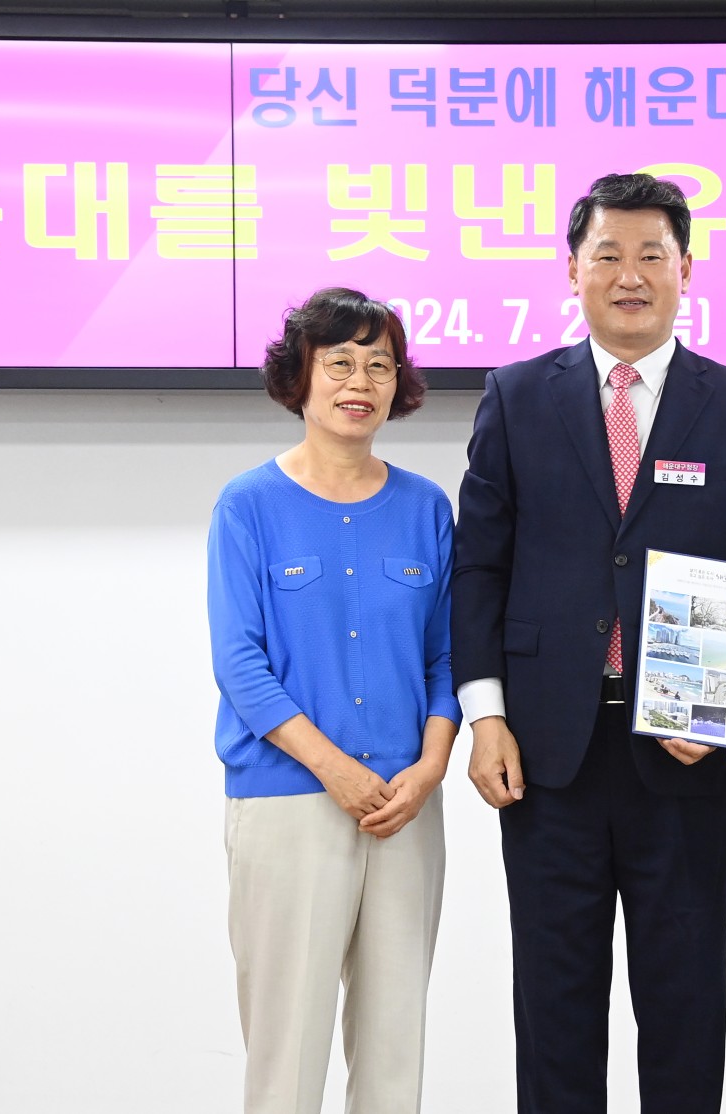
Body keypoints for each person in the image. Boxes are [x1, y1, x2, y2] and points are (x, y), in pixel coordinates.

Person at [451, 172, 726, 1114]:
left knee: (684, 1004)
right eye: (608, 254)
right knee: (554, 1006)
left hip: (684, 755)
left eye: (653, 255)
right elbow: (478, 567)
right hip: (545, 752)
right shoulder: (517, 396)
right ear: (573, 270)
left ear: (688, 270)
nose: (631, 275)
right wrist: (486, 717)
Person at [206, 287, 460, 1114]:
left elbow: (446, 655)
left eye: (379, 365)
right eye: (340, 362)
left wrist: (430, 767)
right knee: (287, 1052)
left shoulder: (426, 508)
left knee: (395, 1048)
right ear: (301, 376)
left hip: (405, 805)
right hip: (290, 801)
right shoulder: (249, 505)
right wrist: (335, 769)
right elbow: (240, 664)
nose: (361, 382)